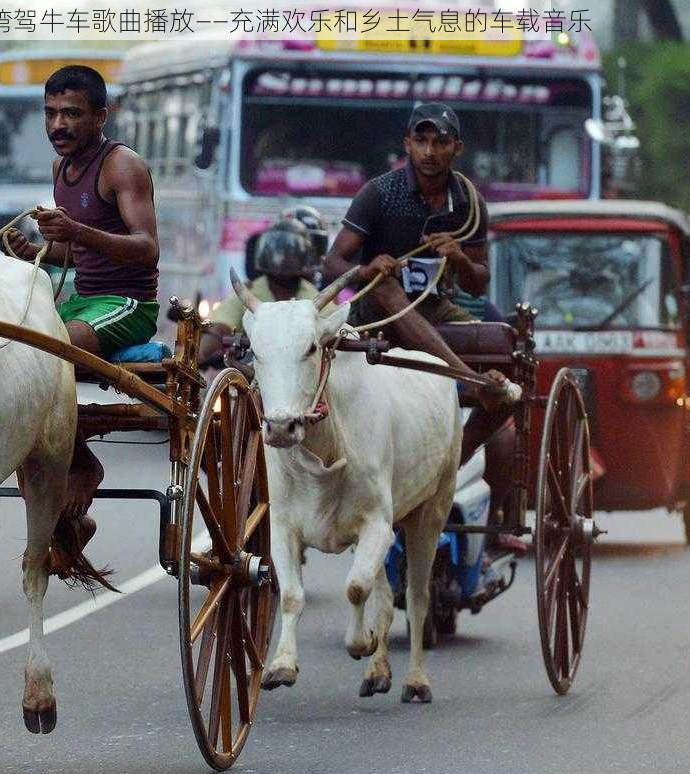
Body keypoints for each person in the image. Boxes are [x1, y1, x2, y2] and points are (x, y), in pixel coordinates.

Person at [322, 102, 520, 541]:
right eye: (422, 141)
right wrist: (368, 269)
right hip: (377, 312)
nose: (430, 151)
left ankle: (448, 460)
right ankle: (467, 380)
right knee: (393, 293)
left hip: (439, 311)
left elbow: (481, 282)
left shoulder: (469, 202)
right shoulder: (379, 193)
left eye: (441, 142)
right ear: (408, 144)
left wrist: (459, 257)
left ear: (457, 148)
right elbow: (332, 262)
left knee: (510, 378)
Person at [3, 64, 161, 555]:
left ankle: (84, 465)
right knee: (9, 347)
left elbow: (146, 247)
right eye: (50, 114)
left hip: (128, 305)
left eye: (71, 114)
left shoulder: (122, 166)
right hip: (82, 300)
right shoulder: (60, 169)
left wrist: (75, 232)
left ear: (101, 116)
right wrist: (36, 255)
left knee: (52, 348)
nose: (58, 125)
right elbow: (80, 253)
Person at [198, 217, 320, 366]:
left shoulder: (313, 295)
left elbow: (335, 330)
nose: (281, 258)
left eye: (289, 252)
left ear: (303, 255)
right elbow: (220, 327)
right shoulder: (249, 291)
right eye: (276, 249)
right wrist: (200, 355)